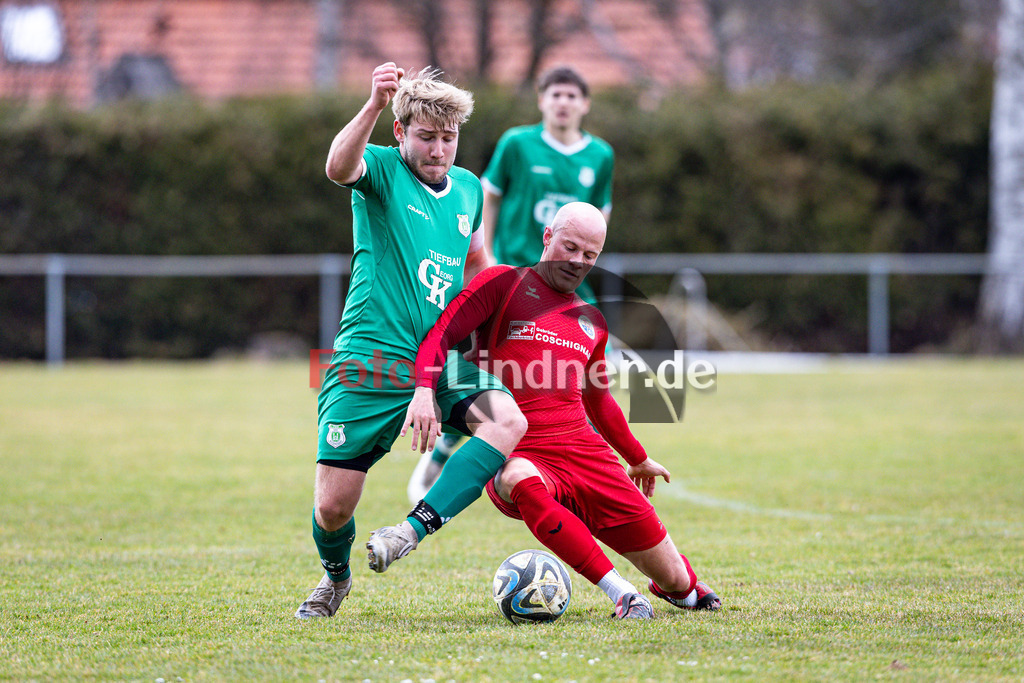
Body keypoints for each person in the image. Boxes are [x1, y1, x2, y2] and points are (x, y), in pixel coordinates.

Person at [405, 203, 721, 619]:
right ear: (547, 236)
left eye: (590, 255)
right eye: (570, 247)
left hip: (585, 453)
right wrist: (424, 389)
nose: (578, 261)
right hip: (517, 449)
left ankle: (680, 590)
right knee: (517, 478)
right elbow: (442, 333)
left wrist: (637, 457)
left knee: (678, 579)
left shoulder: (591, 321)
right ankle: (621, 593)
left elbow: (599, 400)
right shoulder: (504, 283)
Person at [295, 63, 527, 619]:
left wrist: (504, 317)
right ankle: (336, 577)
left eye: (449, 138)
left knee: (507, 421)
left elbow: (478, 264)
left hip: (438, 359)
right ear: (400, 132)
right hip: (368, 360)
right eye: (426, 137)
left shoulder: (468, 188)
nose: (439, 150)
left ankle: (409, 531)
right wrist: (373, 104)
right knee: (332, 508)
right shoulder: (380, 168)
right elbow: (337, 166)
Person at [406, 65, 614, 503]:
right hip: (517, 280)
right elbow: (488, 197)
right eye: (555, 94)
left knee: (584, 381)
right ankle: (444, 451)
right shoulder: (518, 143)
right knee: (496, 374)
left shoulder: (600, 155)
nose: (563, 102)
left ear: (585, 104)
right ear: (542, 100)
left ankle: (574, 470)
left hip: (565, 286)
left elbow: (601, 218)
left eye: (572, 96)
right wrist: (490, 261)